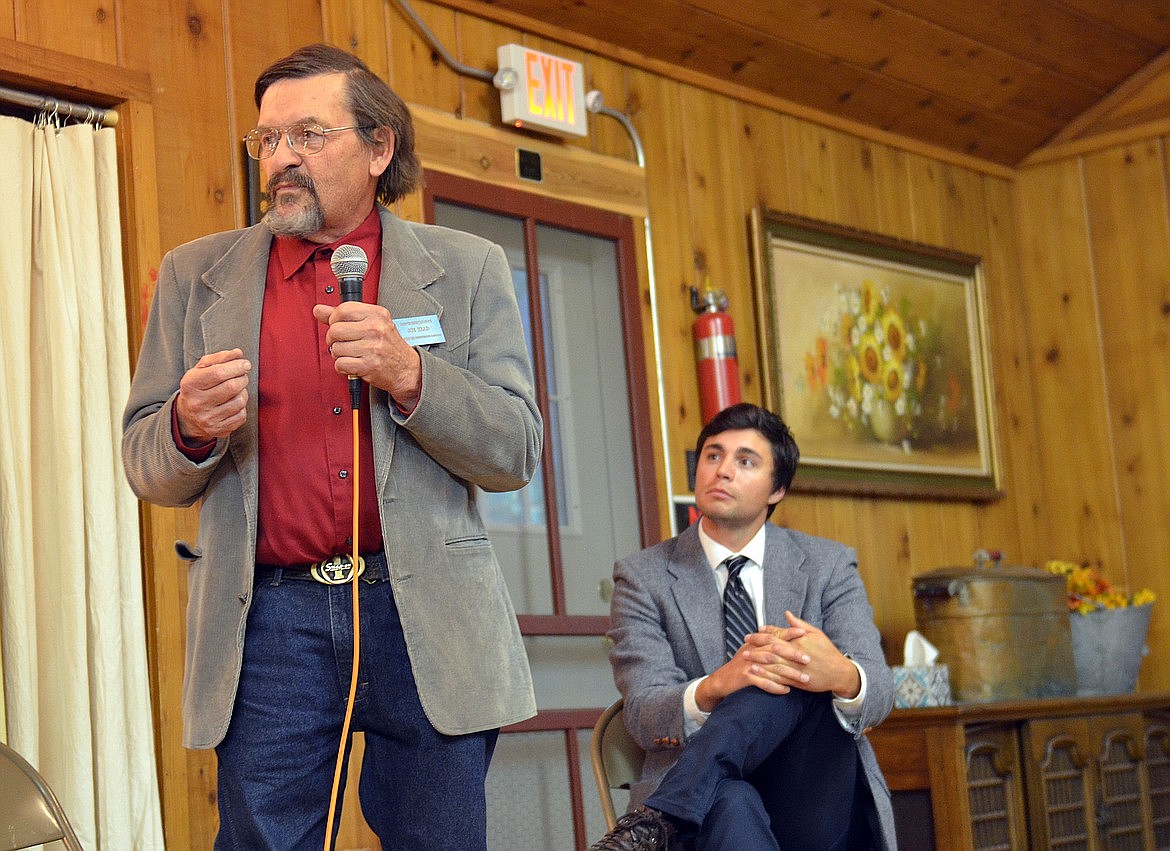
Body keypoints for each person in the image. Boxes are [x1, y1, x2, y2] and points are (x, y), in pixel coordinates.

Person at [121, 43, 542, 851]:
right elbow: (145, 459)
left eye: (308, 136)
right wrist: (187, 425)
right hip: (268, 617)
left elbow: (515, 448)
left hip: (425, 613)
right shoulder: (193, 275)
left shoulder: (468, 268)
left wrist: (413, 374)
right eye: (268, 140)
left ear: (379, 147)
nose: (281, 158)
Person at [590, 403, 896, 851]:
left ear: (777, 489)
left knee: (787, 665)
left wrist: (841, 674)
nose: (723, 471)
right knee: (731, 799)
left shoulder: (828, 566)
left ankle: (658, 816)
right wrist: (716, 685)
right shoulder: (643, 577)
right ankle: (683, 800)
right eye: (713, 456)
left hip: (812, 794)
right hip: (713, 808)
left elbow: (881, 691)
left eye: (745, 461)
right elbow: (642, 713)